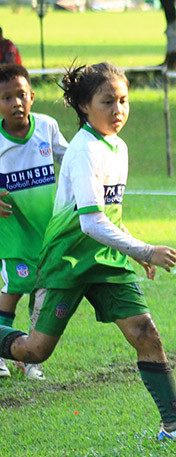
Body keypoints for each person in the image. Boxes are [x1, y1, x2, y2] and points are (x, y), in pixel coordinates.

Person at [0, 62, 176, 445]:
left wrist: (131, 250)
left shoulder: (118, 147)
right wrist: (146, 250)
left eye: (123, 100)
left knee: (146, 333)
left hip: (106, 260)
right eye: (108, 101)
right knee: (34, 351)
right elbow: (89, 222)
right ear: (85, 106)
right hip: (68, 261)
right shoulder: (84, 149)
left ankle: (175, 426)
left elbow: (110, 214)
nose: (118, 110)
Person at [0, 64, 69, 381]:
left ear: (33, 96)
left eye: (21, 95)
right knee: (12, 291)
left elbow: (69, 158)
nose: (15, 103)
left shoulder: (47, 127)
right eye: (6, 97)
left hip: (47, 231)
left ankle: (30, 358)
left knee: (42, 293)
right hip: (12, 232)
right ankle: (2, 353)